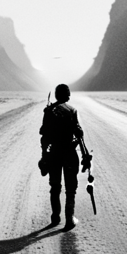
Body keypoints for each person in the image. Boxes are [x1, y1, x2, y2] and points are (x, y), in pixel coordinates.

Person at [39, 84, 84, 231]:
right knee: (70, 188)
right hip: (69, 153)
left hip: (53, 154)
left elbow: (44, 137)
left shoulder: (48, 111)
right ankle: (69, 219)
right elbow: (78, 132)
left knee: (55, 186)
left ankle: (55, 217)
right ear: (67, 95)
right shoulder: (72, 110)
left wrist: (44, 156)